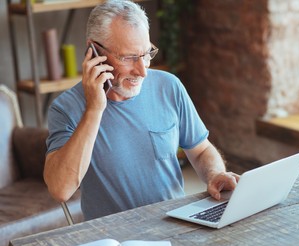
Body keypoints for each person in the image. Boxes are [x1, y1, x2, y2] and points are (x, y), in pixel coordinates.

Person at [44, 0, 239, 221]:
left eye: (146, 54)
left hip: (175, 226)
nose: (142, 71)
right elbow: (60, 190)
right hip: (114, 241)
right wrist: (94, 109)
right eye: (128, 58)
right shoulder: (66, 108)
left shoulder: (169, 86)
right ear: (94, 51)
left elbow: (201, 150)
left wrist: (214, 174)